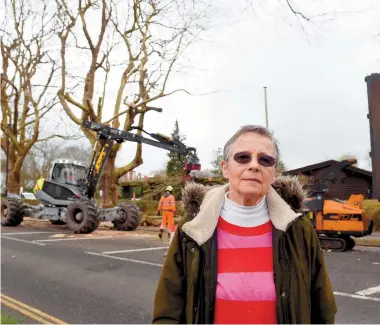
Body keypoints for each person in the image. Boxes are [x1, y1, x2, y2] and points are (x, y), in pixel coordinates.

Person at [152, 125, 337, 324]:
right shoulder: (192, 229)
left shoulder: (298, 230)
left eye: (265, 160)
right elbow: (169, 308)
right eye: (243, 157)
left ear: (274, 173)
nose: (254, 166)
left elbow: (322, 308)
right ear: (225, 167)